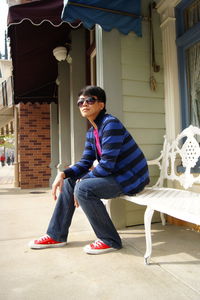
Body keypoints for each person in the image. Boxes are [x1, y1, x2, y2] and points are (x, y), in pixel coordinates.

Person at [29, 86, 150, 254]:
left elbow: (107, 164)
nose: (84, 104)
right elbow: (85, 162)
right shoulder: (92, 133)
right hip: (115, 175)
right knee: (71, 182)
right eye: (80, 102)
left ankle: (110, 240)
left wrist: (83, 181)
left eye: (90, 100)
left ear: (101, 104)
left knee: (83, 188)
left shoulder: (111, 124)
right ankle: (56, 235)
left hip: (132, 178)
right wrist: (63, 174)